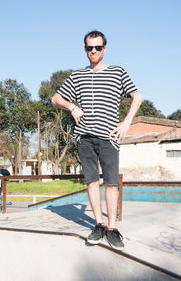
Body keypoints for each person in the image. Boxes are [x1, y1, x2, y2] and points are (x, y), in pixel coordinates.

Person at [52, 30, 142, 250]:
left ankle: (112, 229)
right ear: (85, 49)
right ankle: (99, 225)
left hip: (109, 137)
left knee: (111, 184)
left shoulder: (117, 72)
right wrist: (72, 106)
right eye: (89, 48)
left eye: (98, 47)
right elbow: (56, 98)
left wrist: (126, 123)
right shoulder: (77, 75)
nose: (93, 51)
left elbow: (137, 97)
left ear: (105, 48)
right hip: (85, 137)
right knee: (92, 182)